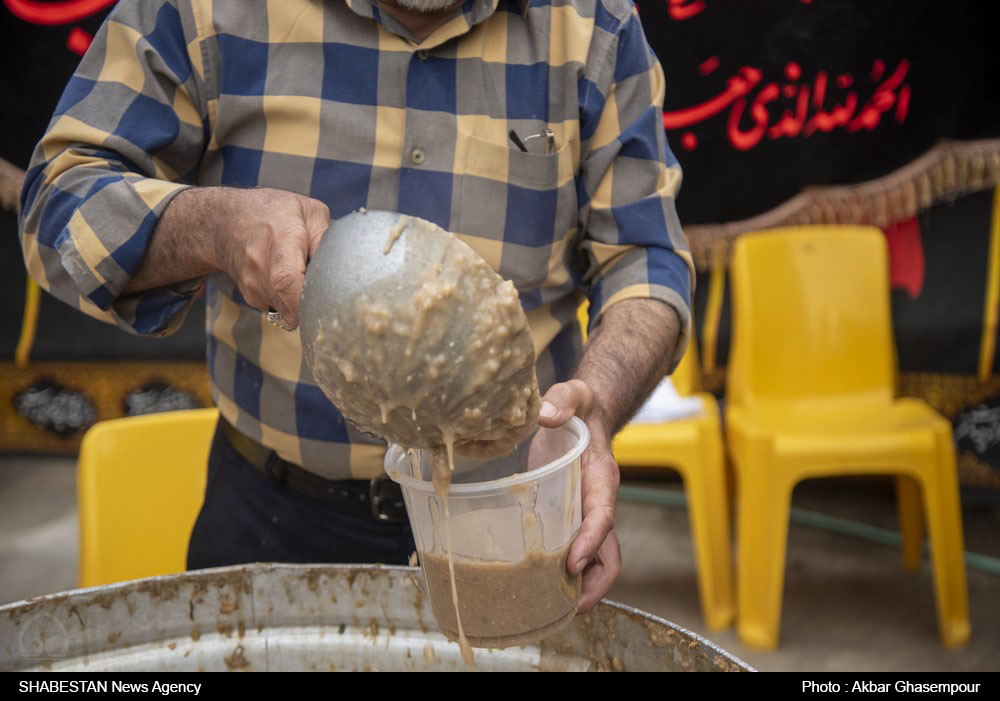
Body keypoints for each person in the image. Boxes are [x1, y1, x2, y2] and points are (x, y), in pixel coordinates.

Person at [19, 0, 693, 614]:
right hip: (273, 515)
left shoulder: (593, 24)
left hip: (510, 516)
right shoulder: (207, 11)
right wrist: (212, 227)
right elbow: (59, 203)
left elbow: (648, 261)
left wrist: (597, 406)